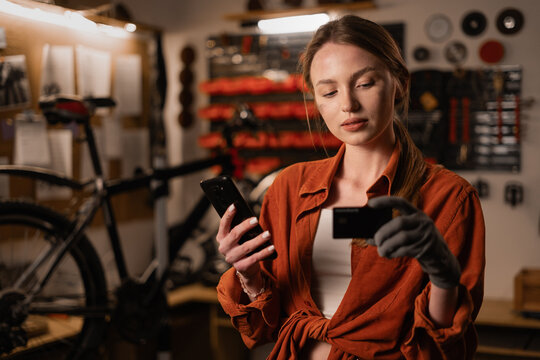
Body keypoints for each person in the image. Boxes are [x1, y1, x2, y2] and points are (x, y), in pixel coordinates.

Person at [215, 15, 485, 359]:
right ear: (317, 100)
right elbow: (262, 329)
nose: (347, 104)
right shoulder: (288, 187)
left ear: (399, 82)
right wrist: (249, 276)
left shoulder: (450, 198)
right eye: (329, 91)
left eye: (365, 83)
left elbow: (439, 349)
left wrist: (444, 277)